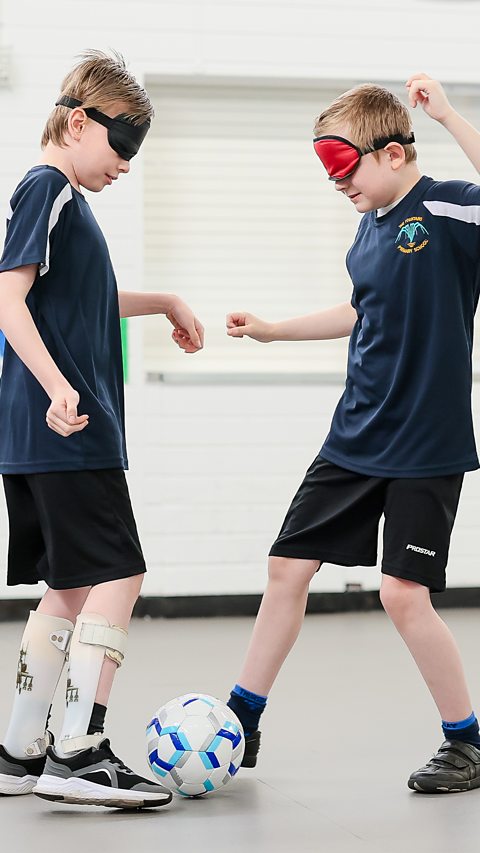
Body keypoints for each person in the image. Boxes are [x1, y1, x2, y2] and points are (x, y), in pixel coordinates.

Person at [226, 74, 480, 794]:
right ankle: (243, 716)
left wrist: (450, 114)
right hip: (356, 433)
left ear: (395, 153)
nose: (339, 185)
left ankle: (467, 741)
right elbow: (361, 310)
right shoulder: (368, 228)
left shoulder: (451, 208)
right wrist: (275, 331)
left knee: (402, 594)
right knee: (287, 567)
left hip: (426, 442)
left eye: (347, 169)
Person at [0, 49, 203, 809]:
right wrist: (57, 387)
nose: (125, 165)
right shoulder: (46, 187)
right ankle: (79, 751)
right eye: (121, 147)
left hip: (43, 432)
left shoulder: (65, 206)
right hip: (65, 426)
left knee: (72, 585)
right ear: (79, 122)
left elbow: (86, 302)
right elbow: (8, 298)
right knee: (121, 573)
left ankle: (21, 750)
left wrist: (168, 301)